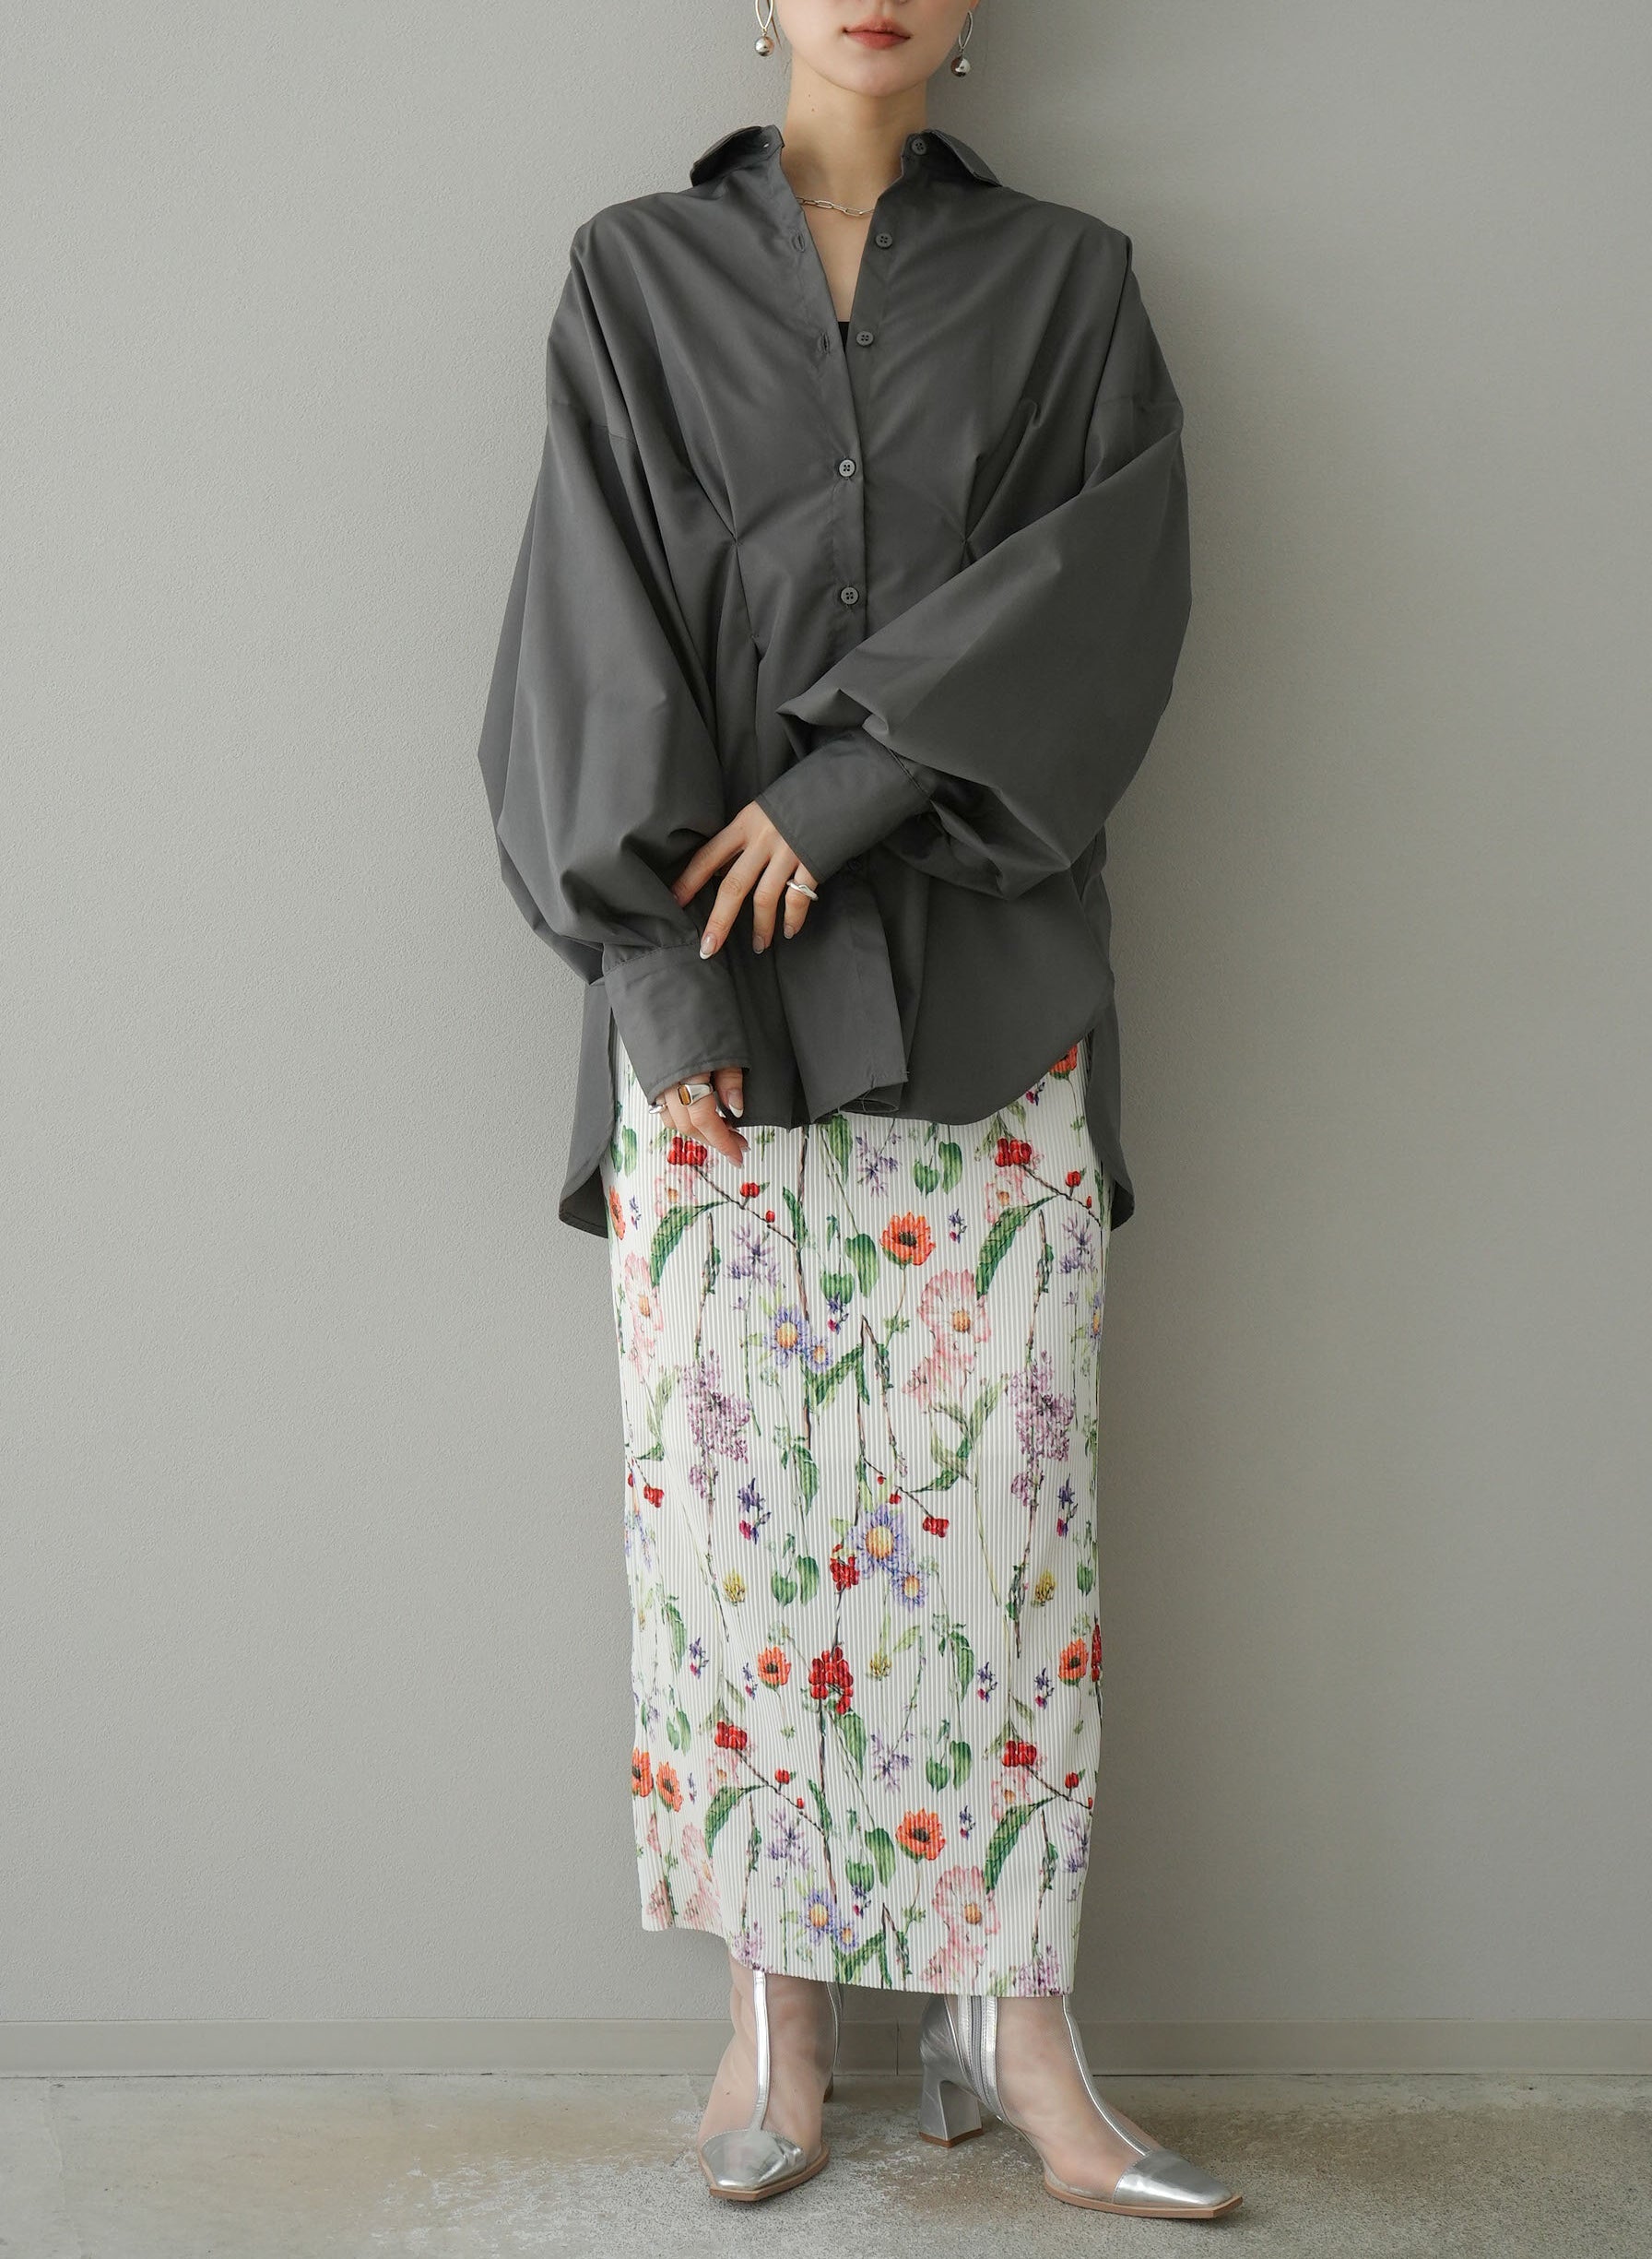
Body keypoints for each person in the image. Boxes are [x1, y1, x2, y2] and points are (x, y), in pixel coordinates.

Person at [476, 0, 1240, 2221]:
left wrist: (843, 784)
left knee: (1006, 1526)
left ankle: (1019, 2035)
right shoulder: (633, 274)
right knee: (735, 1530)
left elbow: (1102, 601)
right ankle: (774, 2020)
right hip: (712, 1007)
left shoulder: (1068, 286)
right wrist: (652, 973)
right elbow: (580, 633)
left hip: (990, 990)